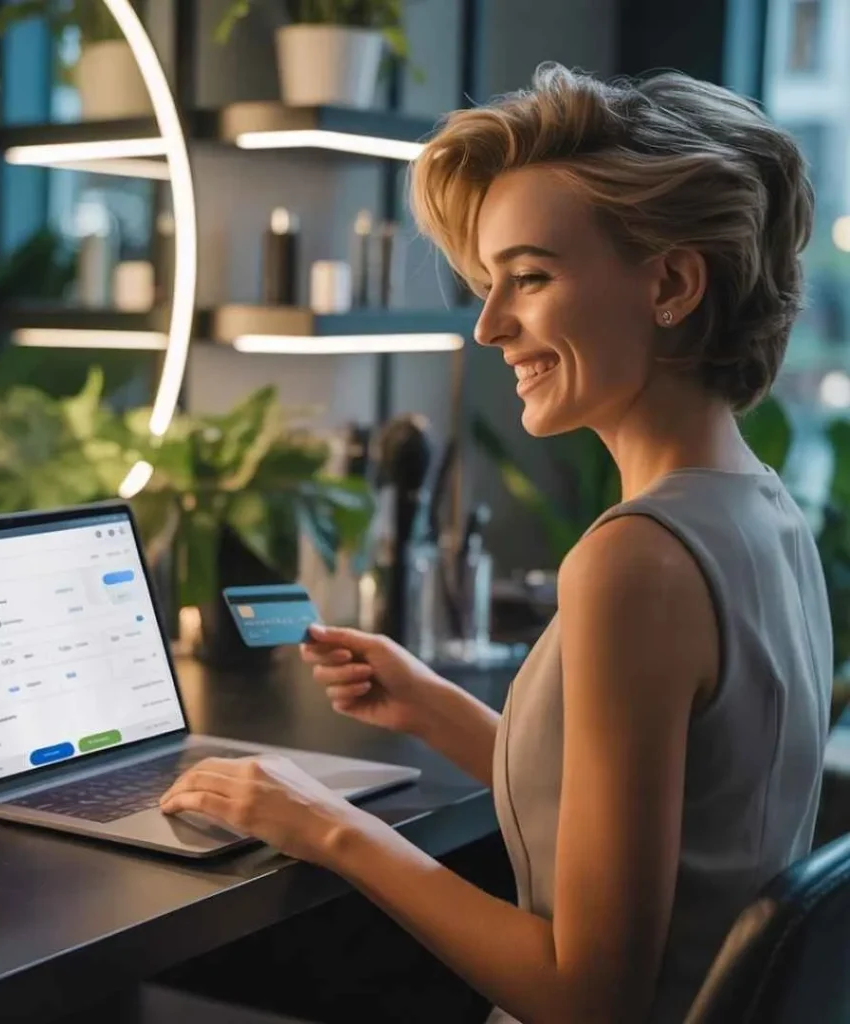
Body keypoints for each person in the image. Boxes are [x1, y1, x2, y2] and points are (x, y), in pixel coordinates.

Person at [159, 63, 832, 1024]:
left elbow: (585, 996)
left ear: (674, 283)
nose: (488, 325)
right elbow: (679, 824)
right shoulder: (760, 509)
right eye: (488, 283)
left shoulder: (633, 560)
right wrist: (437, 710)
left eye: (528, 277)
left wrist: (323, 826)